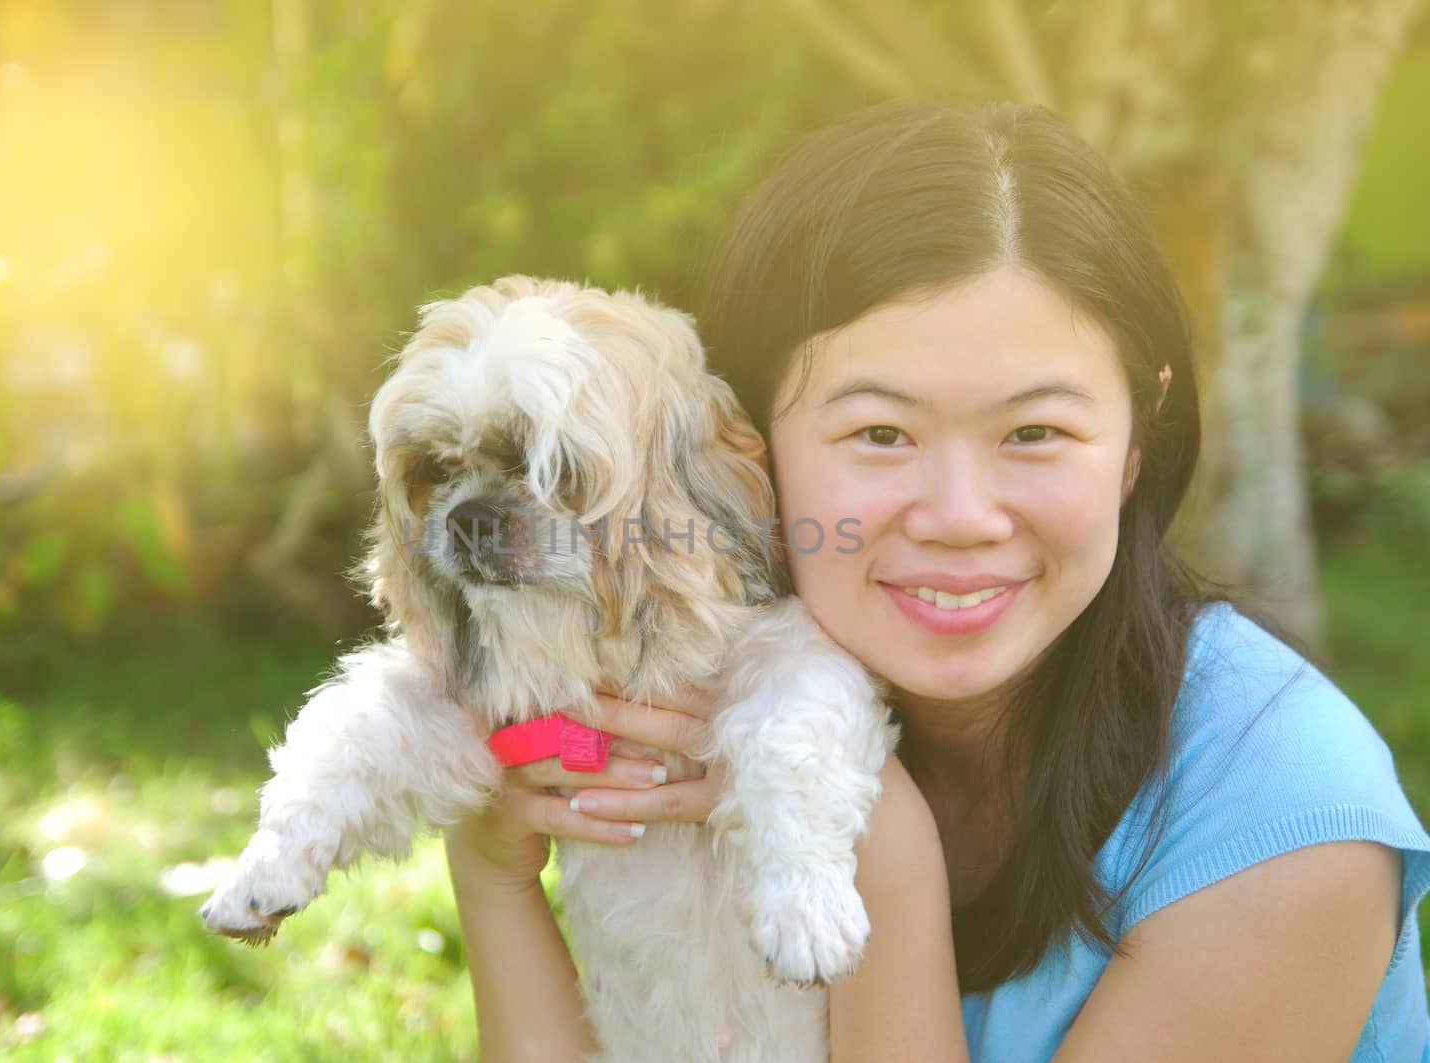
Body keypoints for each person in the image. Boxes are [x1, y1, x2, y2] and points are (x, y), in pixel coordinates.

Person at [441, 99, 1430, 1061]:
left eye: (1034, 431)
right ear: (742, 441)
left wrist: (869, 833)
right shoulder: (710, 703)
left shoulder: (1281, 819)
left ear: (1138, 438)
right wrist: (494, 873)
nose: (959, 515)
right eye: (880, 433)